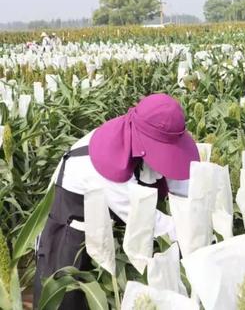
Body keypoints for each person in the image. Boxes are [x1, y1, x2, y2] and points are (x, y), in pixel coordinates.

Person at [34, 93, 199, 309]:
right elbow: (146, 220)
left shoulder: (137, 137)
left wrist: (198, 219)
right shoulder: (106, 163)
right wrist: (197, 244)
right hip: (71, 227)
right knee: (67, 296)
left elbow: (182, 184)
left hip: (107, 224)